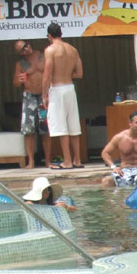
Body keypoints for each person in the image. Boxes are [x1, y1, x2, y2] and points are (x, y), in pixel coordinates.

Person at [42, 22, 83, 169]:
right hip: (70, 88)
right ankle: (77, 159)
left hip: (57, 89)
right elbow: (79, 73)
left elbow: (47, 75)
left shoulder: (50, 50)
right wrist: (66, 73)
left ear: (49, 36)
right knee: (74, 125)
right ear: (61, 34)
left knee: (61, 126)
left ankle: (67, 161)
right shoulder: (73, 49)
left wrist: (44, 95)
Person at [13, 40, 50, 169]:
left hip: (44, 95)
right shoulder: (21, 64)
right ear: (20, 53)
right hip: (29, 96)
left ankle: (48, 160)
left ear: (29, 44)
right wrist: (19, 80)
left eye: (26, 46)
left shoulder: (43, 56)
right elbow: (15, 83)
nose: (26, 49)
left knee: (45, 128)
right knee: (28, 129)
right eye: (22, 50)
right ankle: (31, 161)